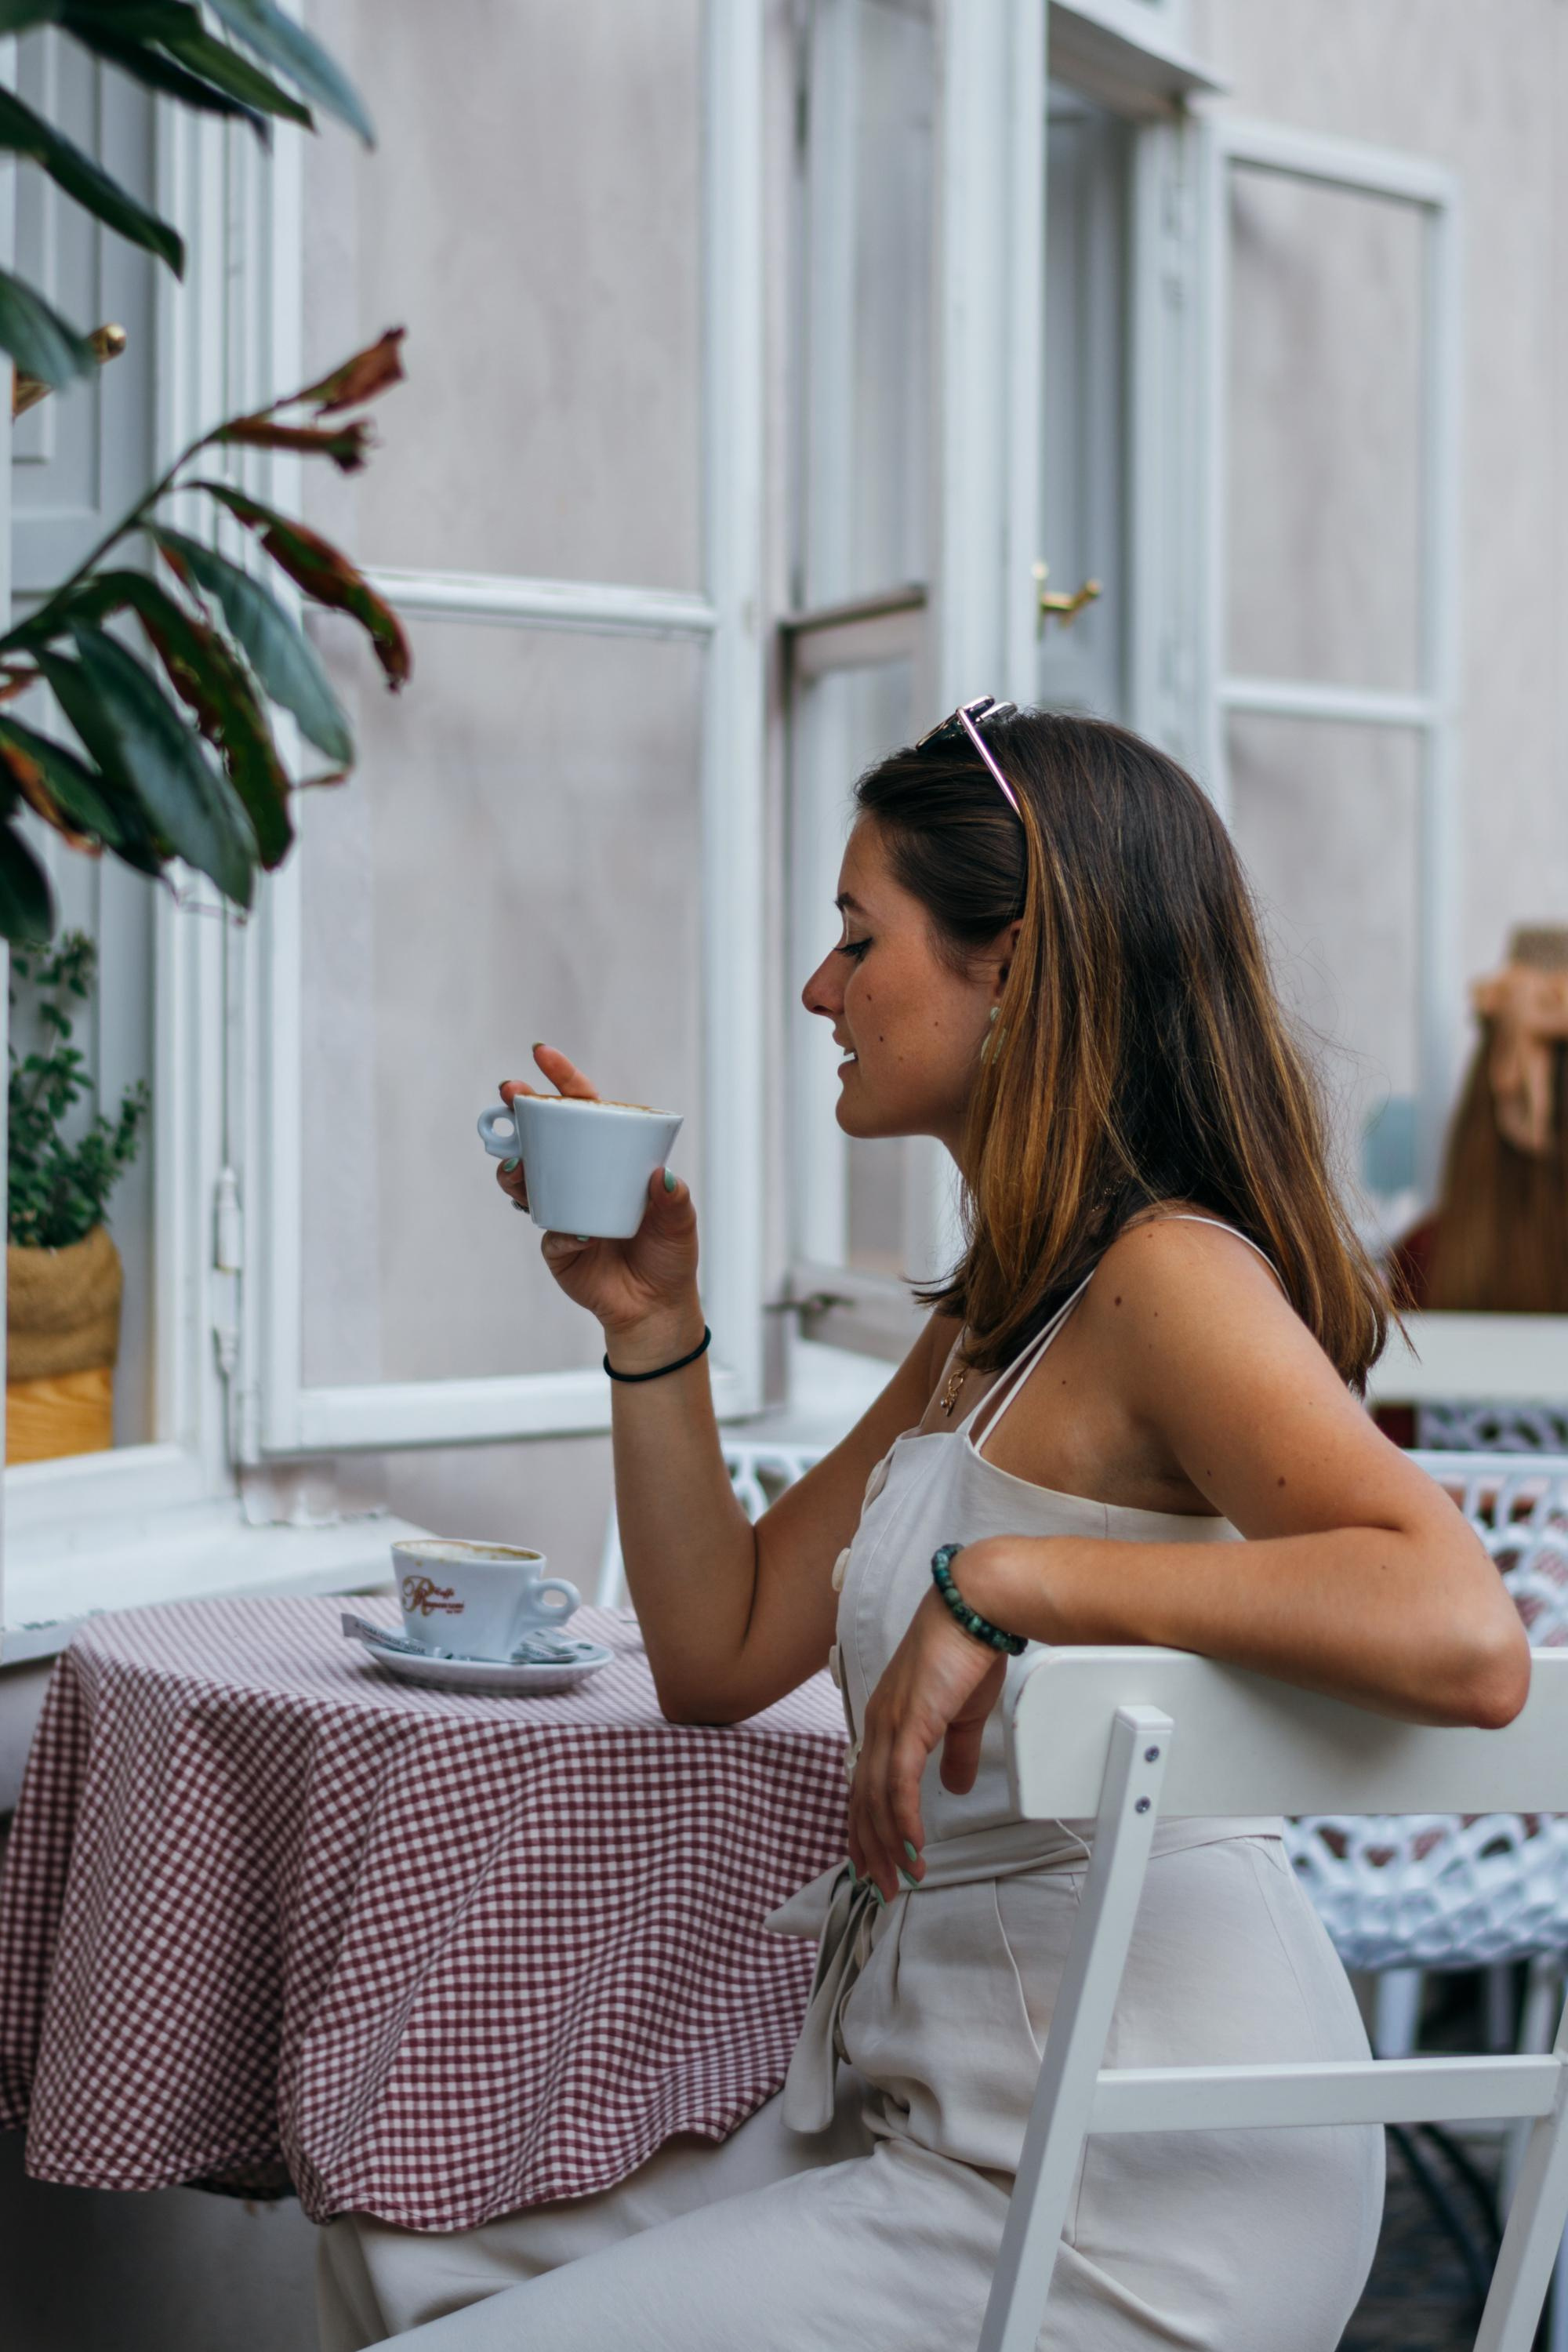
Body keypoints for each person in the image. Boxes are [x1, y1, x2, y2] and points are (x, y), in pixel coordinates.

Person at [318, 702, 1528, 2352]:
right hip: (950, 2125)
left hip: (1140, 2173)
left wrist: (1015, 1580)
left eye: (854, 936)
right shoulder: (1001, 1317)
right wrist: (647, 1322)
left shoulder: (1167, 1279)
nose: (821, 990)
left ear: (1010, 967)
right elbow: (720, 1649)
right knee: (401, 2249)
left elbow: (1462, 1633)